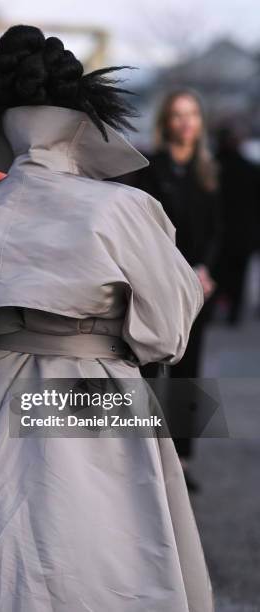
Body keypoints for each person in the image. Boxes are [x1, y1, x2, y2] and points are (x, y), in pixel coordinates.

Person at [0, 26, 213, 612]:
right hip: (97, 387)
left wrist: (9, 345)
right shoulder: (125, 211)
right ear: (87, 118)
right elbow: (169, 324)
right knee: (110, 550)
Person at [124, 89, 223, 491]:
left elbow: (218, 230)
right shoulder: (151, 168)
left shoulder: (209, 171)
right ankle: (141, 454)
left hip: (195, 288)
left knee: (188, 371)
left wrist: (208, 272)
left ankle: (179, 461)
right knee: (147, 366)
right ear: (167, 121)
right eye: (178, 115)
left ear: (200, 122)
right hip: (157, 282)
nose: (185, 122)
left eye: (192, 114)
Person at [215, 124, 259, 324]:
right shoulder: (250, 169)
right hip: (242, 232)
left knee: (218, 271)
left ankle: (214, 310)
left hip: (220, 232)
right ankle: (233, 313)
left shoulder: (212, 167)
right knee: (238, 276)